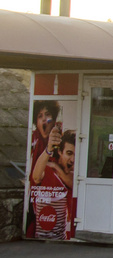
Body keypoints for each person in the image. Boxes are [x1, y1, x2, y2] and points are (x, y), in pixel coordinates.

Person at [30, 128, 76, 240]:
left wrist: (57, 168)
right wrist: (49, 148)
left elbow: (72, 182)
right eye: (69, 153)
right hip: (43, 233)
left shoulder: (73, 173)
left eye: (76, 154)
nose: (73, 159)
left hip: (65, 236)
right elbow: (36, 177)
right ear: (59, 151)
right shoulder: (47, 167)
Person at [25, 100, 61, 238]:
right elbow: (35, 177)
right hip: (36, 202)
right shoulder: (34, 140)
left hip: (56, 202)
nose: (44, 119)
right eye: (40, 116)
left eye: (48, 115)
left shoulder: (61, 139)